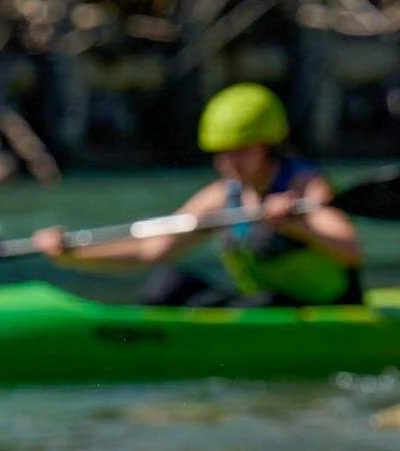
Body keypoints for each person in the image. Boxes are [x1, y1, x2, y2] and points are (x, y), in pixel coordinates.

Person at [29, 83, 363, 308]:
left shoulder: (305, 186)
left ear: (268, 146)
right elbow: (151, 248)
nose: (230, 163)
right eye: (222, 153)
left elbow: (350, 249)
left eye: (241, 152)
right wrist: (72, 253)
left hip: (324, 306)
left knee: (260, 305)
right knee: (170, 285)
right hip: (264, 305)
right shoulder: (221, 197)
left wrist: (296, 225)